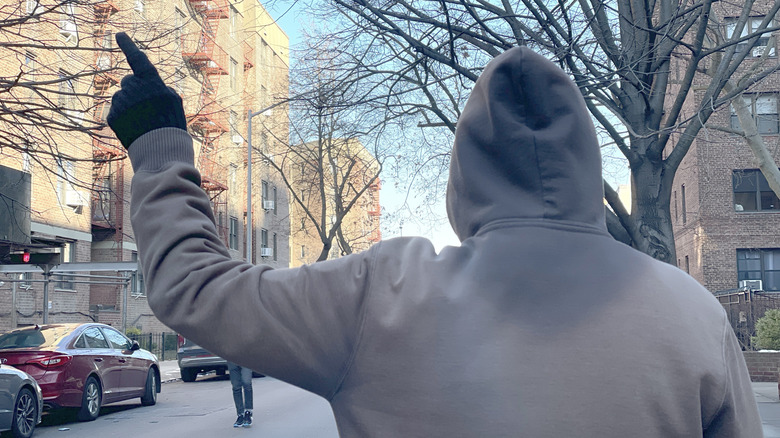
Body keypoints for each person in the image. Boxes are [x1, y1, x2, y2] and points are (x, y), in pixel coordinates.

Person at [107, 31, 762, 436]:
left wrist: (160, 144)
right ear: (588, 165)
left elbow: (196, 289)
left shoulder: (382, 295)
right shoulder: (691, 314)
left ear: (466, 175)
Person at [227, 361, 253, 428]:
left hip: (245, 357)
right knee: (236, 386)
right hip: (231, 358)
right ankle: (240, 414)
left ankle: (248, 411)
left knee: (246, 383)